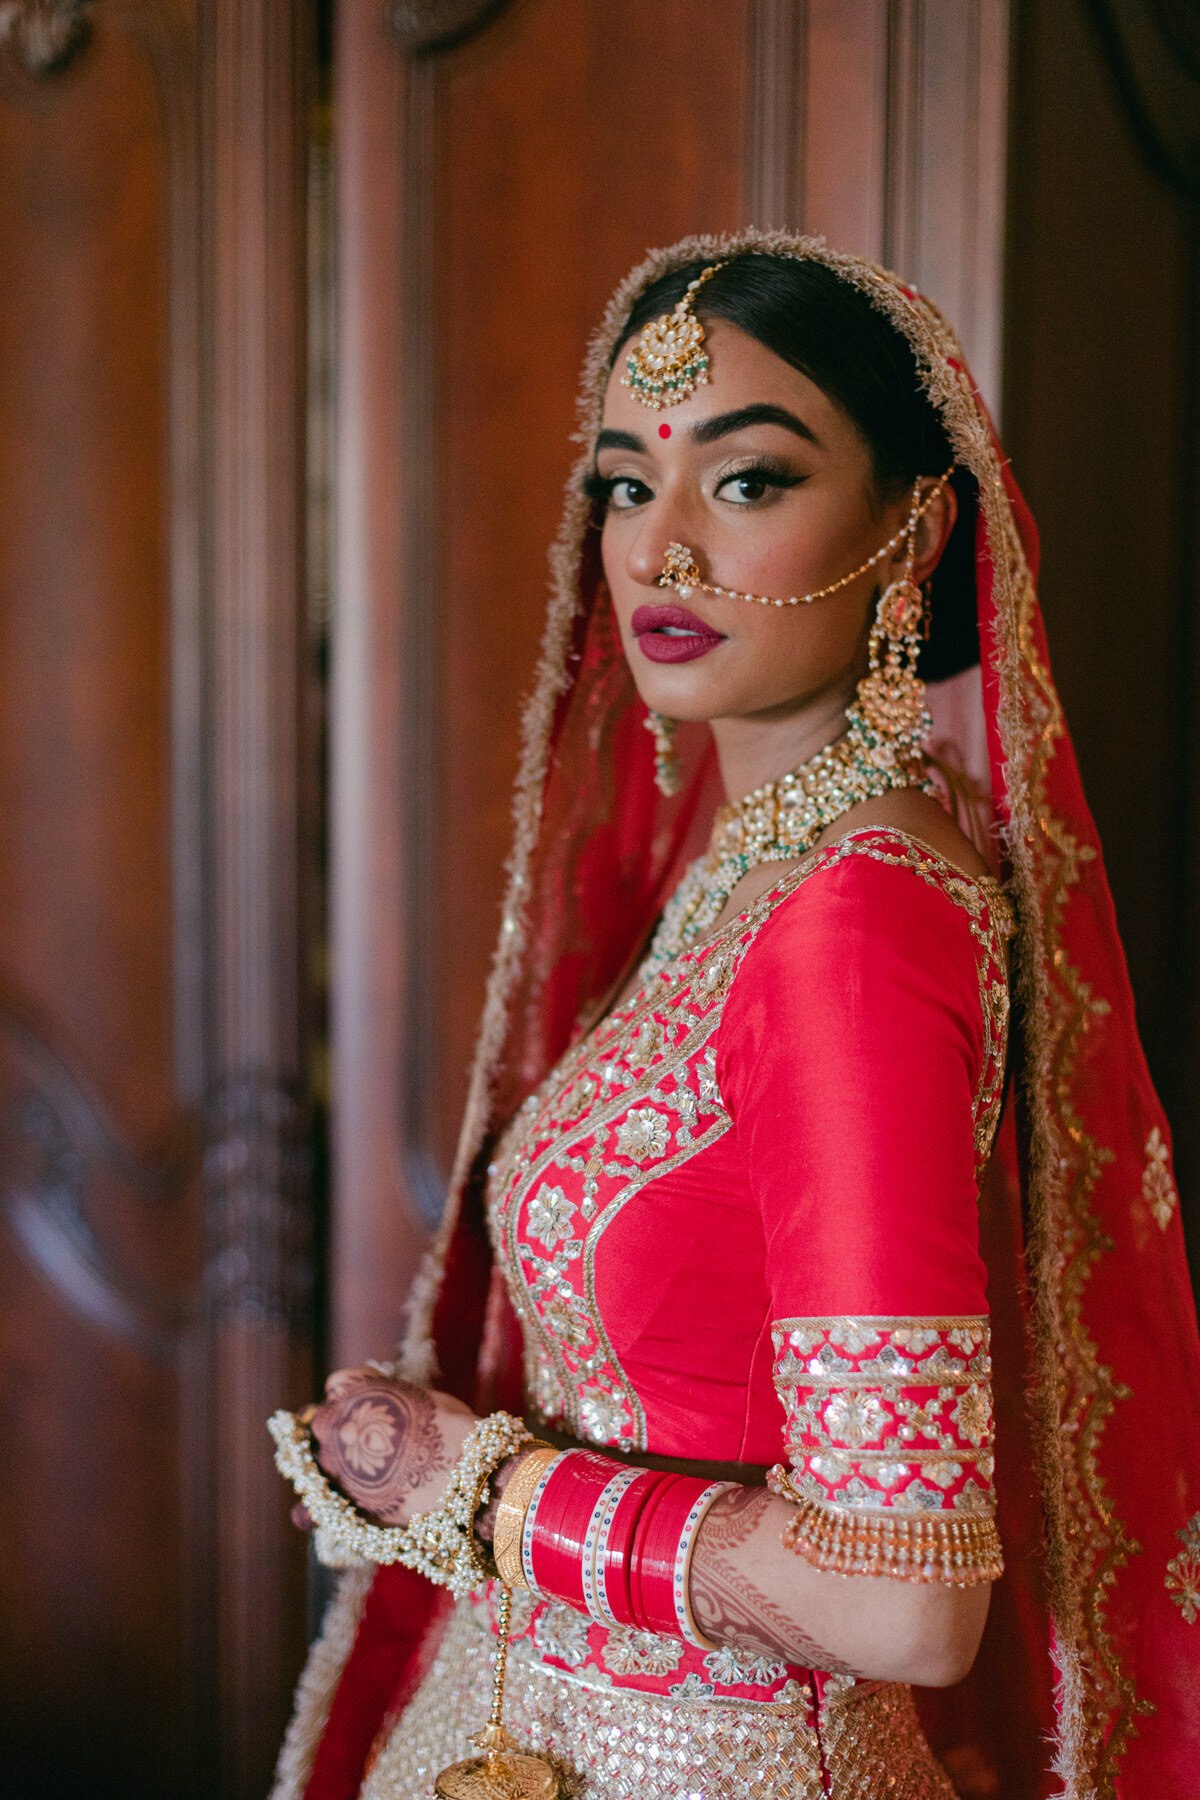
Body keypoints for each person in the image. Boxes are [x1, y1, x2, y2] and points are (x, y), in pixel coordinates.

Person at [268, 233, 1200, 1800]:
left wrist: (476, 1487)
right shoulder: (748, 867)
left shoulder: (860, 920)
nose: (660, 551)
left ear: (911, 528)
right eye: (628, 484)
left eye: (749, 481)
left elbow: (902, 1599)